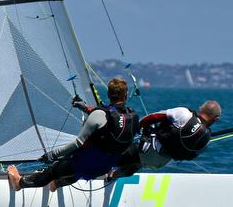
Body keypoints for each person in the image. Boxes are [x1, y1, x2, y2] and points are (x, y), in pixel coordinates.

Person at [7, 77, 139, 191]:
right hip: (105, 168)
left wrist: (53, 154)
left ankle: (19, 183)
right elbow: (109, 119)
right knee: (75, 173)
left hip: (85, 164)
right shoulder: (131, 116)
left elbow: (78, 142)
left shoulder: (100, 114)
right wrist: (85, 106)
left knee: (53, 171)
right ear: (125, 96)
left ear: (109, 94)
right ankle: (57, 184)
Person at [111, 100, 222, 178]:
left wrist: (135, 128)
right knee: (137, 163)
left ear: (201, 108)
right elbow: (190, 156)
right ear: (216, 119)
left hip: (146, 148)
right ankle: (113, 176)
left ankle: (99, 171)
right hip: (160, 162)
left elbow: (153, 117)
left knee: (115, 156)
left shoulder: (184, 113)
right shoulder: (207, 139)